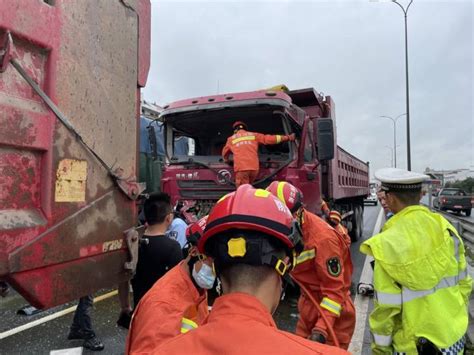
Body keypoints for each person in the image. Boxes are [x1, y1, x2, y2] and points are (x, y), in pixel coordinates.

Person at [152, 185, 348, 354]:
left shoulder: (162, 351)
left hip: (327, 312)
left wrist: (321, 329)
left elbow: (334, 291)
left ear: (213, 263)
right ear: (286, 264)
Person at [360, 168, 472, 354]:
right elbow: (465, 285)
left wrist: (381, 350)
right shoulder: (447, 230)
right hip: (453, 340)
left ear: (391, 198)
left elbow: (386, 311)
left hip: (413, 348)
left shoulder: (386, 244)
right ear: (419, 195)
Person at [266, 181, 355, 349]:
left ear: (298, 212)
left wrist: (321, 330)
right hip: (308, 307)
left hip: (333, 317)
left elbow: (335, 292)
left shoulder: (323, 239)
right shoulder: (286, 231)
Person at [126, 216, 211, 354]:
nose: (217, 271)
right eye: (212, 263)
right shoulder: (163, 305)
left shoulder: (195, 287)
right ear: (194, 252)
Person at [131, 192, 183, 307]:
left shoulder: (134, 244)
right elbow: (178, 284)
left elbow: (124, 279)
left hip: (139, 309)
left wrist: (125, 306)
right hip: (161, 311)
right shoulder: (173, 247)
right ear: (168, 218)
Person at [222, 121, 295, 187]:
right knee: (249, 187)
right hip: (254, 169)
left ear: (235, 130)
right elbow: (270, 139)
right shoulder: (254, 135)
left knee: (243, 191)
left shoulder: (231, 139)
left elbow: (225, 153)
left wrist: (226, 160)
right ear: (245, 129)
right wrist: (288, 137)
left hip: (242, 169)